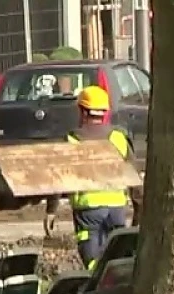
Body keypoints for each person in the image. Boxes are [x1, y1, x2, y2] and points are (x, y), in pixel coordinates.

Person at [43, 85, 142, 270]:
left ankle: (94, 292)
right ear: (105, 112)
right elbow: (134, 178)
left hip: (88, 212)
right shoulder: (118, 138)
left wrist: (51, 210)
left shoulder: (72, 140)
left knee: (92, 264)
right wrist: (138, 210)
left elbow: (58, 179)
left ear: (82, 111)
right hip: (116, 211)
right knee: (116, 262)